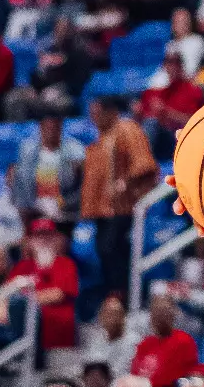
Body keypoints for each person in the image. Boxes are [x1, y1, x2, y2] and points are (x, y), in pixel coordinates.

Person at [81, 97, 158, 299]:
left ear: (111, 111)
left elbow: (143, 165)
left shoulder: (126, 129)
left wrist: (127, 182)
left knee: (111, 247)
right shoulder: (100, 139)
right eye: (92, 114)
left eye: (97, 113)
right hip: (102, 209)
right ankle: (116, 294)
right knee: (106, 248)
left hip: (122, 206)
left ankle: (123, 294)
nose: (94, 118)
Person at [8, 217, 80, 373]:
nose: (43, 240)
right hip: (26, 331)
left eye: (48, 235)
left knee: (19, 306)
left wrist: (24, 301)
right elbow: (7, 293)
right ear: (30, 240)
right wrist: (2, 304)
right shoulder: (23, 266)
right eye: (38, 236)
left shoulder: (65, 263)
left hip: (55, 332)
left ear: (56, 239)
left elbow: (58, 294)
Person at [12, 106, 85, 225]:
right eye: (48, 127)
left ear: (60, 127)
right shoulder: (28, 150)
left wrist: (61, 204)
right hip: (33, 207)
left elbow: (80, 182)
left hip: (64, 207)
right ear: (41, 127)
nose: (51, 131)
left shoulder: (74, 149)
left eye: (55, 128)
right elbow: (21, 180)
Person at [130, 294, 198, 387]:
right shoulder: (144, 344)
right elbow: (134, 377)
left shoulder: (184, 341)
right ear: (151, 316)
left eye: (164, 311)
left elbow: (189, 378)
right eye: (156, 311)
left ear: (173, 314)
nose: (160, 316)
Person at [81, 295, 143, 378]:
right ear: (101, 317)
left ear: (123, 317)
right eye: (107, 314)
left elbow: (123, 372)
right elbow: (88, 365)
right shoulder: (96, 339)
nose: (112, 319)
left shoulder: (134, 341)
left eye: (116, 314)